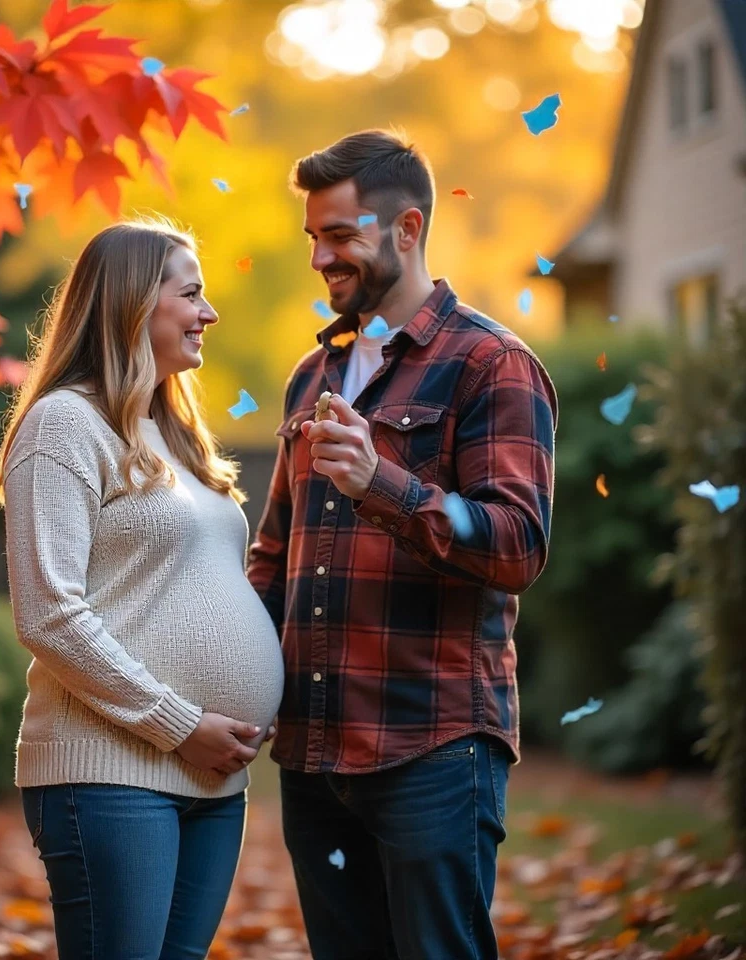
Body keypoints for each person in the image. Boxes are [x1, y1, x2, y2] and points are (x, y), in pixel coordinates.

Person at [247, 130, 558, 960]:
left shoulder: (491, 364)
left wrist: (381, 485)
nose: (320, 258)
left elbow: (517, 543)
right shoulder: (312, 376)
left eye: (338, 235)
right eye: (313, 237)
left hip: (433, 748)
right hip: (314, 753)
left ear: (407, 229)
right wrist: (231, 679)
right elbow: (275, 556)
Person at [0, 219, 284, 960]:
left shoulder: (173, 436)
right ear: (132, 302)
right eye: (192, 294)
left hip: (212, 782)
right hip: (109, 774)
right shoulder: (64, 424)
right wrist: (180, 724)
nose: (210, 313)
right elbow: (49, 613)